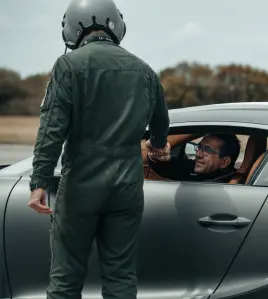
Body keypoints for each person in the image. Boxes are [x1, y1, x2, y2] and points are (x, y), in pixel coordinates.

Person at [27, 0, 170, 299]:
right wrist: (157, 147)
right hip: (128, 186)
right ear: (116, 24)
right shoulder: (144, 70)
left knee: (66, 278)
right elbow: (161, 123)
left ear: (73, 28)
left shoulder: (68, 65)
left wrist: (39, 181)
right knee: (121, 276)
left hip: (82, 182)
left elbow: (52, 129)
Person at [146, 134, 241, 182]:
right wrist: (159, 156)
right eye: (199, 147)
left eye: (207, 150)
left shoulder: (229, 183)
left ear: (225, 162)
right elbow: (176, 167)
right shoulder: (198, 168)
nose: (198, 154)